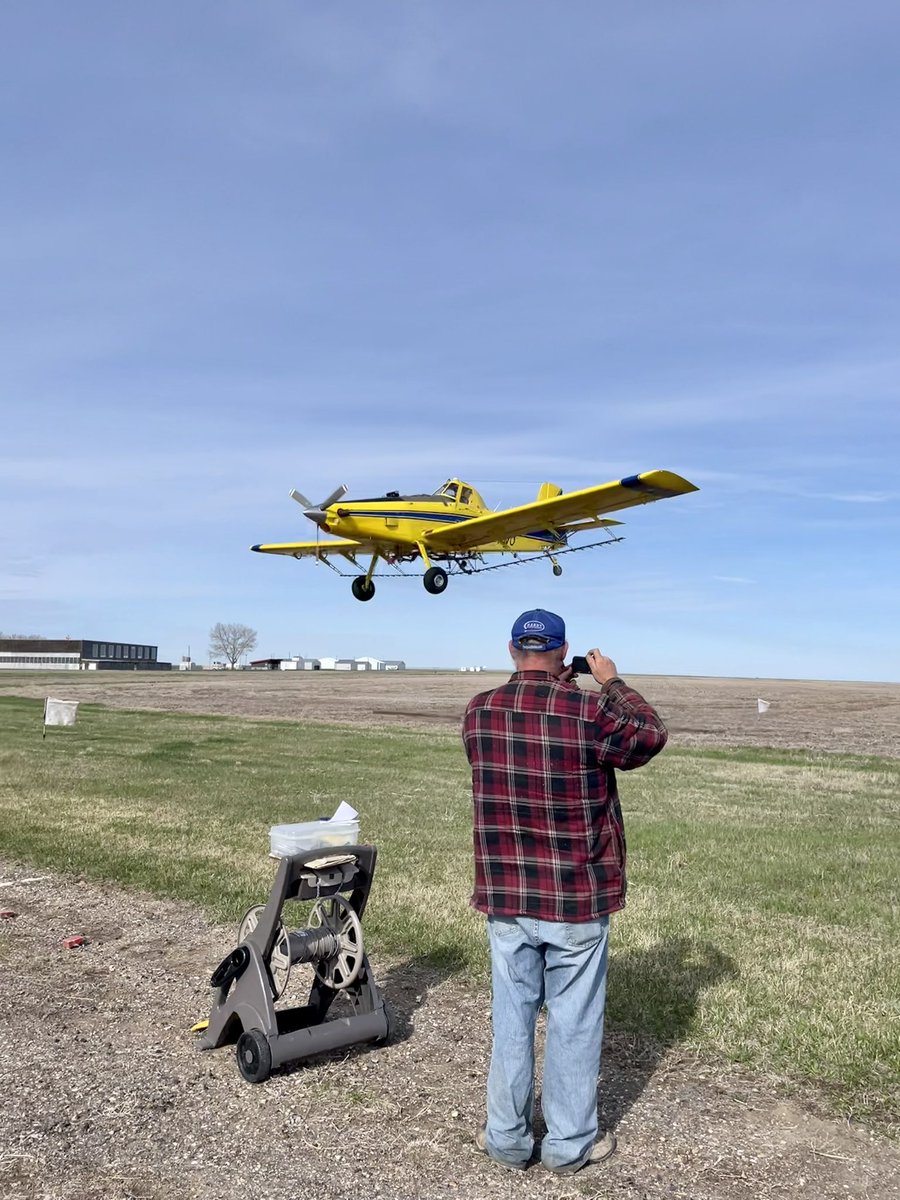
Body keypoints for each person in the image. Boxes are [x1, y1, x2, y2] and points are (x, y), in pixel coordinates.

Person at [462, 608, 668, 1174]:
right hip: (575, 895)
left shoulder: (479, 711)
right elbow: (650, 736)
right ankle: (568, 1143)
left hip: (506, 892)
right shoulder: (590, 709)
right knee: (574, 1022)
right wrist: (611, 681)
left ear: (512, 650)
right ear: (565, 652)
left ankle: (506, 1139)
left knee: (512, 1018)